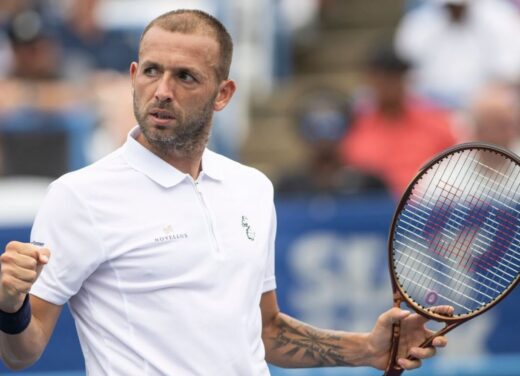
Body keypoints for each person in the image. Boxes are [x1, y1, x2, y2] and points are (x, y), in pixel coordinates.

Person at [0, 9, 450, 375]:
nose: (162, 91)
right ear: (133, 74)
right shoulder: (78, 196)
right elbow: (22, 353)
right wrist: (9, 305)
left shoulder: (252, 188)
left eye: (185, 77)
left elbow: (266, 330)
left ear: (224, 93)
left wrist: (366, 349)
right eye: (152, 72)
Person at [340, 44, 458, 197]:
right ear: (370, 79)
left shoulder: (436, 122)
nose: (390, 83)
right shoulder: (354, 126)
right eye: (383, 76)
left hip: (425, 211)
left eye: (395, 75)